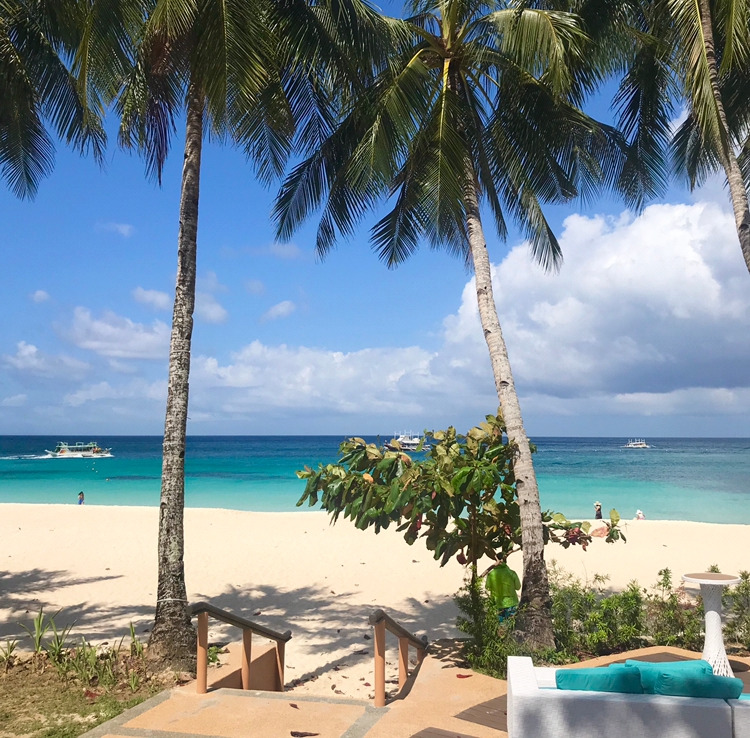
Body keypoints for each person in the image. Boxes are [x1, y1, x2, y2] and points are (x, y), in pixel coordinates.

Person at [484, 557, 521, 623]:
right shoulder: (511, 573)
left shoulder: (491, 574)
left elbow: (487, 587)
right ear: (506, 561)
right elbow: (518, 587)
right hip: (512, 603)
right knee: (512, 625)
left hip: (497, 603)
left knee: (501, 625)